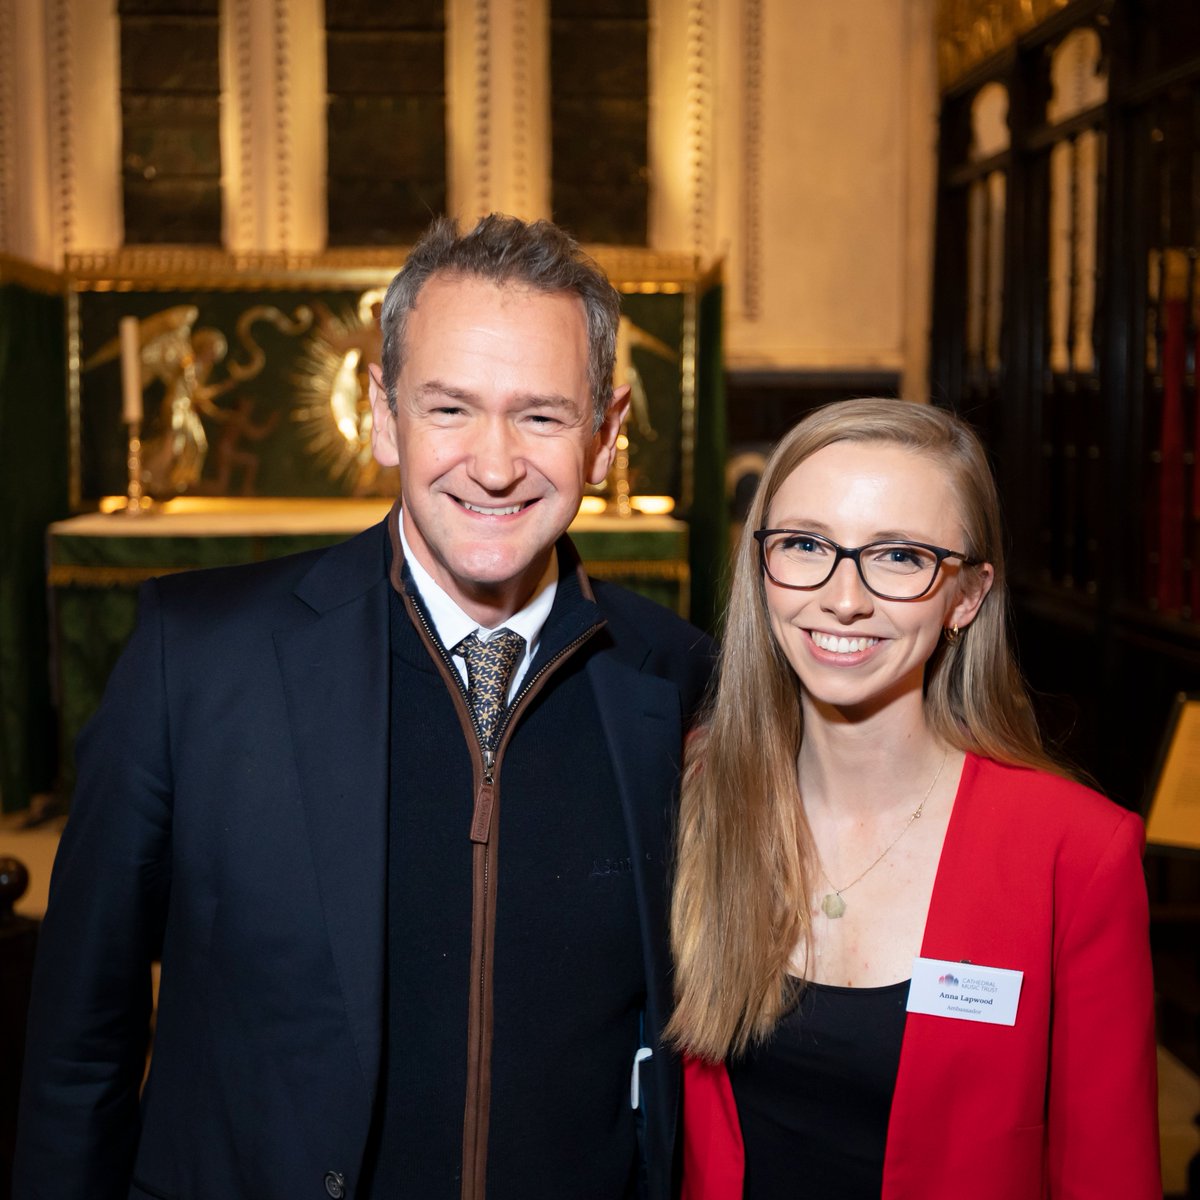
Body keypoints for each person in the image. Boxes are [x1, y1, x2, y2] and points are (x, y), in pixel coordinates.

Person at [15, 214, 713, 1200]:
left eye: (544, 416)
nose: (496, 462)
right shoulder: (199, 661)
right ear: (384, 415)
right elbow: (81, 1050)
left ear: (607, 434)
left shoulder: (677, 677)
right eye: (450, 409)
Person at [668, 398, 1160, 1199]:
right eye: (804, 545)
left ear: (966, 597)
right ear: (761, 567)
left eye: (898, 557)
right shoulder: (685, 796)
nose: (843, 598)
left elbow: (1108, 1175)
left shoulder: (1074, 853)